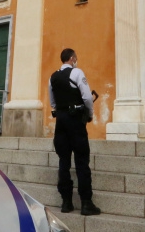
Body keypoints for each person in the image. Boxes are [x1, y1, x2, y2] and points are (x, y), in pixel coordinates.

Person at [48, 48, 101, 216]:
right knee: (81, 160)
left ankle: (66, 202)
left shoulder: (52, 77)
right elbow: (87, 97)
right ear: (72, 58)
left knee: (63, 161)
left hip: (61, 121)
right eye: (75, 58)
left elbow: (52, 102)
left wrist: (61, 110)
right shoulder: (77, 73)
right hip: (76, 121)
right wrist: (90, 114)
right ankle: (86, 203)